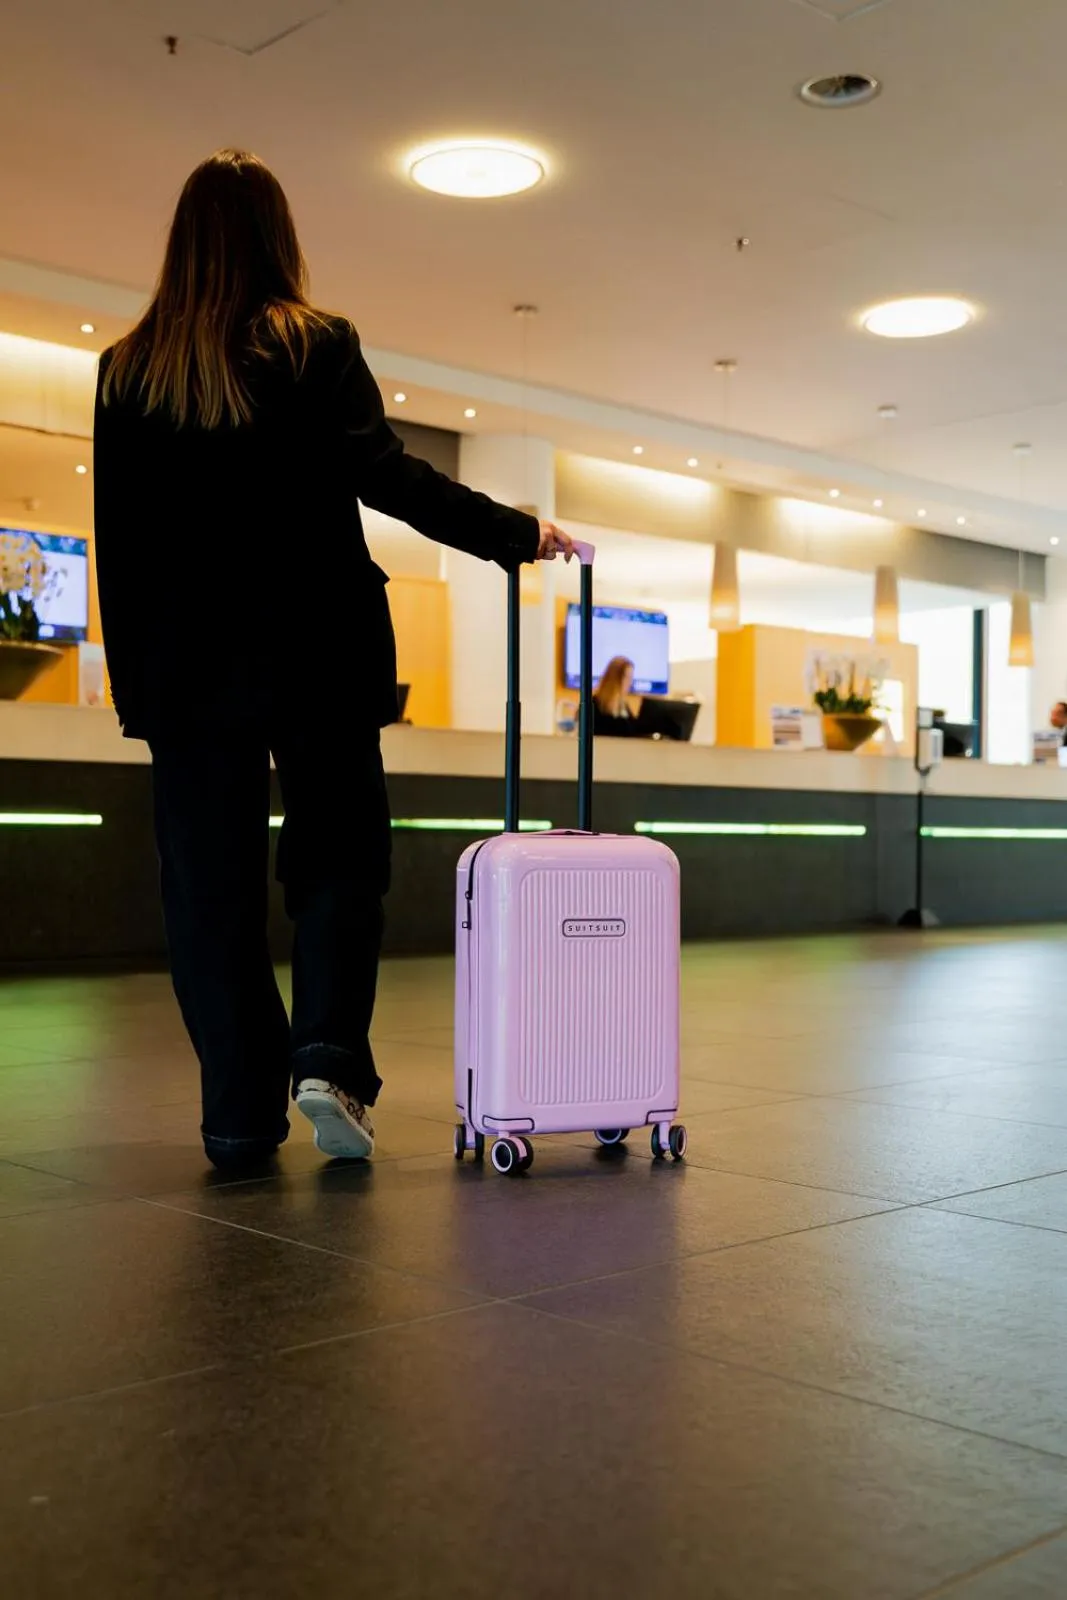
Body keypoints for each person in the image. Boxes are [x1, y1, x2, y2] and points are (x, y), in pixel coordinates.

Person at [93, 149, 573, 1170]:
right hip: (319, 648)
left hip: (186, 671)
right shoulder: (315, 344)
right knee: (339, 858)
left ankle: (236, 1116)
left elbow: (121, 545)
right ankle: (326, 1061)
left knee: (207, 893)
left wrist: (141, 693)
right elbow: (384, 476)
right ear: (280, 237)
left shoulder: (126, 370)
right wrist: (516, 531)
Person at [592, 656, 639, 737]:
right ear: (614, 678)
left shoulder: (623, 706)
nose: (630, 683)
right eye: (627, 677)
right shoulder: (593, 705)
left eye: (631, 678)